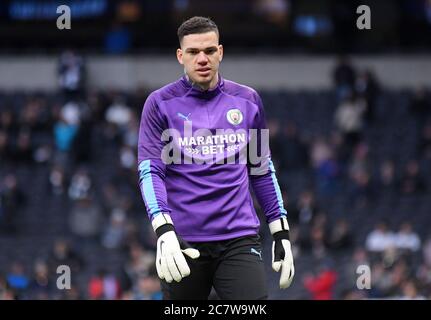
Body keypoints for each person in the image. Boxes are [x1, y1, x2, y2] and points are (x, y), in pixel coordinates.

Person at [137, 16, 294, 300]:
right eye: (194, 52)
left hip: (239, 240)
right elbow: (150, 172)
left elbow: (261, 169)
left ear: (220, 52)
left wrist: (280, 230)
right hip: (182, 242)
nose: (202, 58)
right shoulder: (158, 103)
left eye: (209, 51)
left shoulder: (248, 101)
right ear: (180, 56)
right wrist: (163, 229)